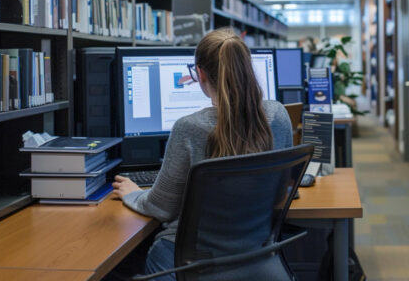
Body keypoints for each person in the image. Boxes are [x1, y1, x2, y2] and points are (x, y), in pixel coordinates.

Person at [112, 28, 294, 279]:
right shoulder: (277, 115)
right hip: (255, 252)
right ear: (246, 67)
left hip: (187, 260)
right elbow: (283, 184)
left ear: (199, 74)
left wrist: (134, 194)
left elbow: (161, 208)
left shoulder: (189, 128)